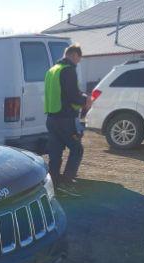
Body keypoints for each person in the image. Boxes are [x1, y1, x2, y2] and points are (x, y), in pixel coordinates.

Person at [44, 44, 92, 196]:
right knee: (77, 149)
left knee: (55, 153)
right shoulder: (68, 70)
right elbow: (72, 96)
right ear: (74, 55)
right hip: (65, 119)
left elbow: (62, 93)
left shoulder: (52, 71)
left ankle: (54, 184)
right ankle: (67, 183)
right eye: (78, 59)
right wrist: (85, 100)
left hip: (51, 118)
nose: (78, 62)